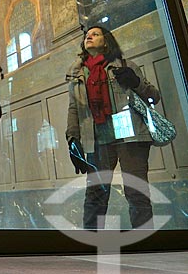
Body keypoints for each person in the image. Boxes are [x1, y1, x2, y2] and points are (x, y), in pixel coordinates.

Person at [65, 25, 161, 230]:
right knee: (95, 193)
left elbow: (154, 97)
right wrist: (72, 138)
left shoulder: (126, 65)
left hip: (129, 134)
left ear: (106, 41)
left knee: (136, 191)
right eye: (87, 35)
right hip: (97, 138)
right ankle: (91, 241)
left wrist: (135, 82)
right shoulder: (77, 74)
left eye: (95, 34)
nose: (89, 36)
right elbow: (74, 108)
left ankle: (143, 240)